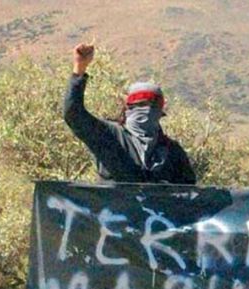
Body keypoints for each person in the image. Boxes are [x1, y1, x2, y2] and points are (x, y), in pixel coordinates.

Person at [63, 44, 196, 184]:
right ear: (128, 108)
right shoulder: (109, 136)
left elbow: (188, 195)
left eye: (152, 107)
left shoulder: (173, 152)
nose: (146, 112)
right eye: (140, 106)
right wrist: (79, 68)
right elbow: (73, 114)